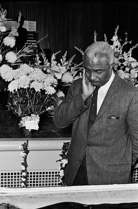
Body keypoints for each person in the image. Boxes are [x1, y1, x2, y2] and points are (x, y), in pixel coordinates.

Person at [53, 41, 138, 186]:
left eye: (98, 71)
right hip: (77, 174)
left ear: (111, 66)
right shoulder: (77, 86)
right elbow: (59, 121)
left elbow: (137, 141)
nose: (92, 77)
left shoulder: (130, 94)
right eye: (88, 69)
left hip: (112, 177)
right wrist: (82, 98)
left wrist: (119, 166)